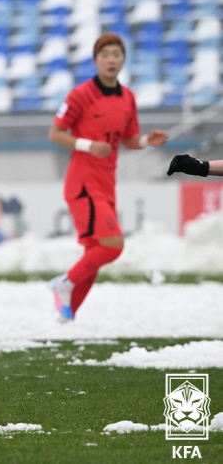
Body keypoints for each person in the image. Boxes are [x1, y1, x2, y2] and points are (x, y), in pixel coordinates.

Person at [47, 33, 168, 322]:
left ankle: (67, 314)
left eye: (116, 54)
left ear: (124, 59)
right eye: (106, 54)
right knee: (113, 244)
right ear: (95, 60)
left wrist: (147, 141)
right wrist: (88, 145)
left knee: (94, 251)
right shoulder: (81, 94)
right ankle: (63, 282)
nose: (111, 60)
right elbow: (55, 133)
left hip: (107, 182)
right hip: (83, 182)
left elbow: (128, 141)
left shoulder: (128, 97)